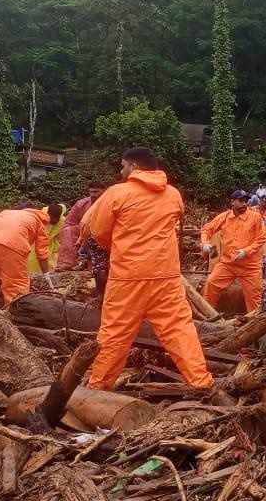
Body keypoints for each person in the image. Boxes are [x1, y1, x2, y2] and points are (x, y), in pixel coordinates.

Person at [85, 147, 214, 391]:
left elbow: (99, 232)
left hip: (127, 277)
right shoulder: (173, 194)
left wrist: (121, 246)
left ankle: (98, 389)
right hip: (166, 275)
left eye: (123, 166)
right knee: (179, 329)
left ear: (133, 167)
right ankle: (201, 383)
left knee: (115, 334)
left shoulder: (117, 193)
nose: (120, 171)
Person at [0, 204, 60, 306]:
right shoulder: (38, 221)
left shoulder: (5, 213)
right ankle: (14, 310)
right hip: (14, 246)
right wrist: (46, 274)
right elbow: (42, 252)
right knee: (16, 284)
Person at [201, 190, 266, 313]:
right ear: (232, 202)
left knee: (254, 299)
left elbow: (261, 238)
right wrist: (205, 243)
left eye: (246, 201)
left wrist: (246, 251)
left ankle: (254, 321)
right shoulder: (224, 217)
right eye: (241, 201)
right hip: (229, 263)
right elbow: (207, 229)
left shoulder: (255, 217)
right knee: (211, 283)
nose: (244, 204)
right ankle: (207, 315)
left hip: (250, 266)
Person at [57, 181, 109, 270]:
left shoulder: (110, 201)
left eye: (95, 192)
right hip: (84, 230)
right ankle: (65, 264)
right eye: (90, 192)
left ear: (103, 191)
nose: (92, 194)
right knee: (68, 230)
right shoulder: (81, 203)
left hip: (105, 230)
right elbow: (70, 222)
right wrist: (81, 235)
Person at [28, 203, 66, 273]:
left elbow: (58, 238)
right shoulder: (39, 218)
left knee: (49, 264)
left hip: (50, 246)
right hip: (35, 243)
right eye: (52, 217)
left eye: (56, 218)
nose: (54, 220)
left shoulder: (62, 221)